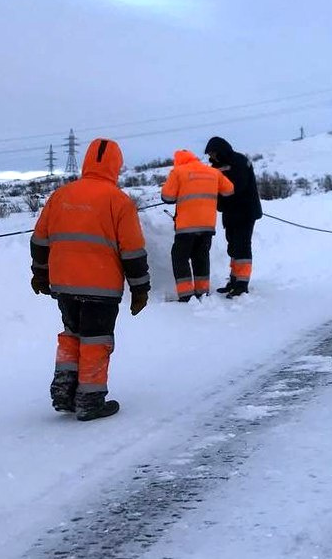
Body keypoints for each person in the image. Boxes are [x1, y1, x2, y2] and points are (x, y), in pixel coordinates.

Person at [30, 138, 149, 421]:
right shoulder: (119, 201)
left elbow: (39, 241)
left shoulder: (60, 196)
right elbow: (132, 252)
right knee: (96, 340)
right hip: (101, 287)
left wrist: (40, 273)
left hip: (64, 285)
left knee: (72, 335)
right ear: (115, 166)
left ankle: (64, 391)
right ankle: (90, 400)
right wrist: (140, 289)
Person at [161, 149, 234, 301]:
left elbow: (167, 197)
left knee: (179, 258)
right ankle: (202, 292)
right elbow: (229, 190)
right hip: (207, 225)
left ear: (178, 161)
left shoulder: (178, 172)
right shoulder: (212, 172)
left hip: (186, 226)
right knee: (201, 257)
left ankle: (186, 296)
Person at [204, 136, 263, 297]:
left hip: (245, 211)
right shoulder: (216, 166)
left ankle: (242, 284)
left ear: (220, 150)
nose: (212, 157)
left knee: (242, 246)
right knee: (233, 247)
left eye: (213, 153)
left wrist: (218, 196)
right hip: (230, 213)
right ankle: (234, 280)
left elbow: (236, 188)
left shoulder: (239, 161)